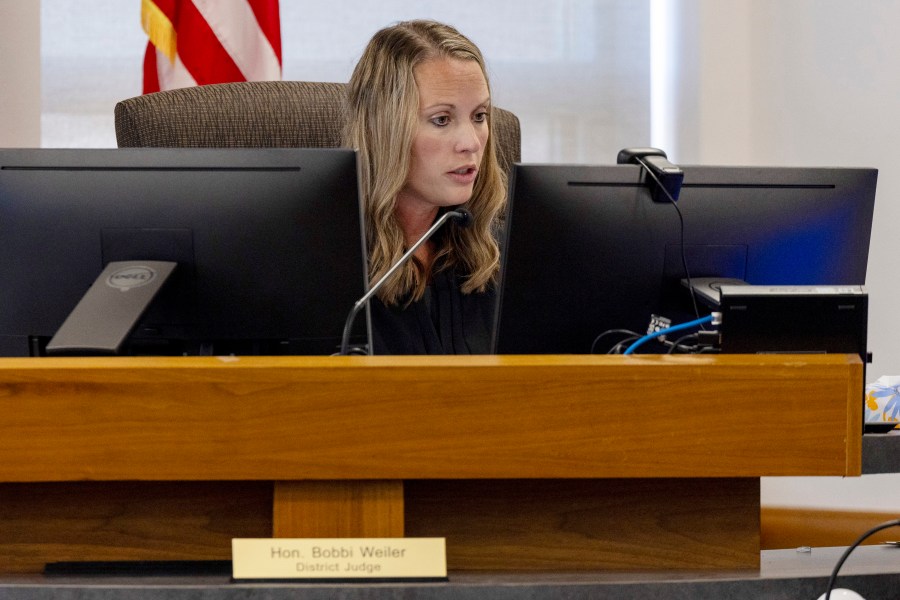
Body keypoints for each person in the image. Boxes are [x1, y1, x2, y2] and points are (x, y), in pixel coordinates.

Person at [343, 20, 507, 354]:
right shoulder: (327, 263)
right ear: (385, 130)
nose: (471, 142)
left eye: (479, 116)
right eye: (442, 119)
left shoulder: (502, 255)